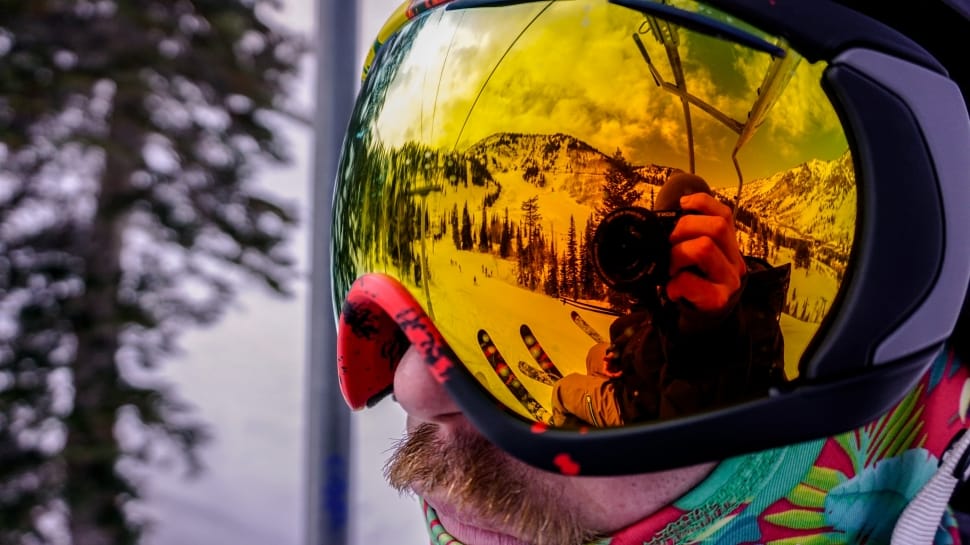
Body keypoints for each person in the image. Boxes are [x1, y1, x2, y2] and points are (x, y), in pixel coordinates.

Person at [330, 1, 970, 544]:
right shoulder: (633, 334)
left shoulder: (738, 324)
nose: (415, 388)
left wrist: (717, 329)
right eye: (402, 244)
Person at [551, 172, 789, 426]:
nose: (679, 246)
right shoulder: (753, 293)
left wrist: (712, 322)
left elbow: (687, 406)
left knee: (563, 390)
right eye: (668, 232)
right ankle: (605, 382)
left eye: (690, 231)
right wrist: (621, 352)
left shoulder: (726, 309)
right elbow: (654, 333)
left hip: (638, 411)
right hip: (641, 383)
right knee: (595, 354)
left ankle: (569, 428)